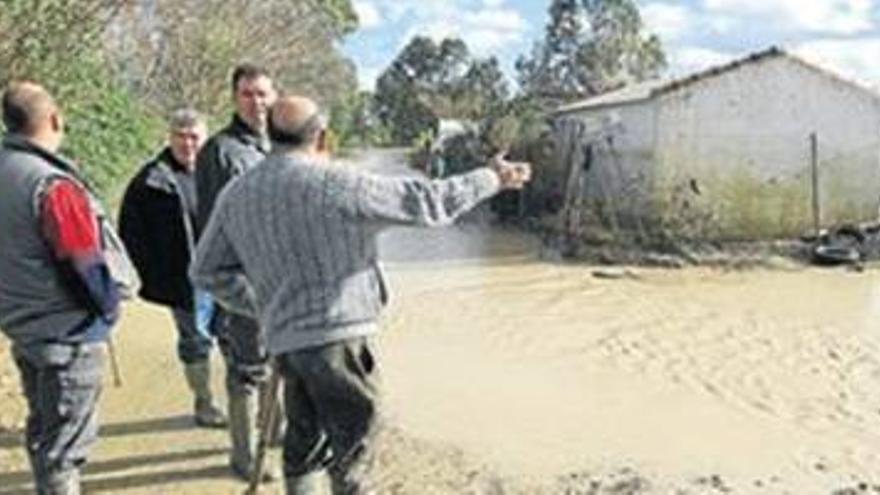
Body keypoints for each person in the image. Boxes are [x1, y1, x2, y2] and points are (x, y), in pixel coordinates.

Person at [190, 95, 531, 494]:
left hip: (285, 343)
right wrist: (492, 177)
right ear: (322, 137)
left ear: (270, 136)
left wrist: (264, 304)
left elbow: (205, 271)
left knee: (305, 446)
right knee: (355, 456)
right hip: (341, 343)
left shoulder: (237, 194)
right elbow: (430, 203)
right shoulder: (340, 183)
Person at [0, 81, 124, 494]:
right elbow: (84, 263)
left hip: (21, 326)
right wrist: (107, 307)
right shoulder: (51, 185)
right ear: (55, 119)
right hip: (67, 334)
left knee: (44, 432)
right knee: (64, 452)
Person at [193, 63, 280, 481]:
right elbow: (213, 228)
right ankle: (243, 457)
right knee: (246, 370)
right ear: (234, 98)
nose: (256, 101)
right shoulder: (220, 152)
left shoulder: (279, 145)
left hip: (282, 280)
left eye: (262, 93)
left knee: (277, 359)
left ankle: (273, 432)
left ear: (274, 96)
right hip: (244, 281)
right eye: (247, 94)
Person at [118, 108, 226, 428]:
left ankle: (243, 405)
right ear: (169, 137)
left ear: (205, 139)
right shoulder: (149, 181)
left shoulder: (221, 172)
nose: (187, 143)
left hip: (227, 274)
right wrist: (153, 276)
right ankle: (204, 402)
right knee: (195, 341)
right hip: (184, 280)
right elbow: (131, 235)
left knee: (239, 341)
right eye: (180, 135)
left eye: (194, 136)